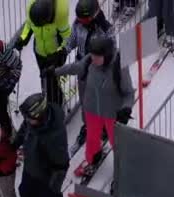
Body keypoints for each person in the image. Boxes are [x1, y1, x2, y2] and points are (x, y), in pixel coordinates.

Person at [54, 36, 133, 178]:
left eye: (98, 57)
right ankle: (93, 159)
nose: (94, 59)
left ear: (107, 55)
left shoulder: (119, 66)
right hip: (92, 109)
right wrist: (54, 72)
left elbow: (128, 93)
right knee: (92, 138)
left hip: (112, 112)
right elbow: (76, 67)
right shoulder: (90, 60)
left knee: (117, 142)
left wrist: (126, 109)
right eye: (93, 55)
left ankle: (123, 170)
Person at [12, 93, 70, 197]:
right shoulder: (34, 121)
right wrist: (15, 143)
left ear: (39, 115)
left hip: (48, 174)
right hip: (31, 165)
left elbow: (62, 163)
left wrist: (54, 185)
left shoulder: (54, 135)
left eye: (29, 118)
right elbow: (25, 128)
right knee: (25, 191)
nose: (27, 121)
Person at [66, 0, 115, 146]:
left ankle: (105, 126)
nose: (82, 22)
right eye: (80, 20)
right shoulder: (78, 24)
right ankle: (88, 125)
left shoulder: (105, 29)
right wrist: (63, 51)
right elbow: (72, 39)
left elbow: (112, 50)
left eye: (85, 20)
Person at [15, 0, 71, 107]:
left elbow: (68, 37)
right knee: (44, 76)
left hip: (56, 55)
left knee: (53, 81)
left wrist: (60, 52)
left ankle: (56, 104)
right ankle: (48, 97)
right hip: (39, 51)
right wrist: (23, 38)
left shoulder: (60, 14)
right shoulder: (31, 9)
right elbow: (29, 25)